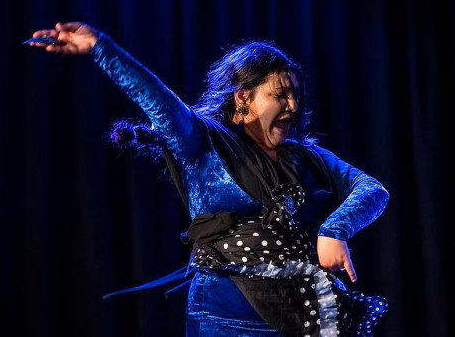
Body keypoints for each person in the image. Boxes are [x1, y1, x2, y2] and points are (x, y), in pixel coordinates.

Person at [29, 22, 389, 336]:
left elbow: (372, 189)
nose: (293, 106)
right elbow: (160, 102)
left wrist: (335, 228)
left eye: (297, 95)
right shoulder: (204, 143)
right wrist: (101, 49)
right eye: (281, 95)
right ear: (243, 97)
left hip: (303, 318)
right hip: (227, 320)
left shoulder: (307, 156)